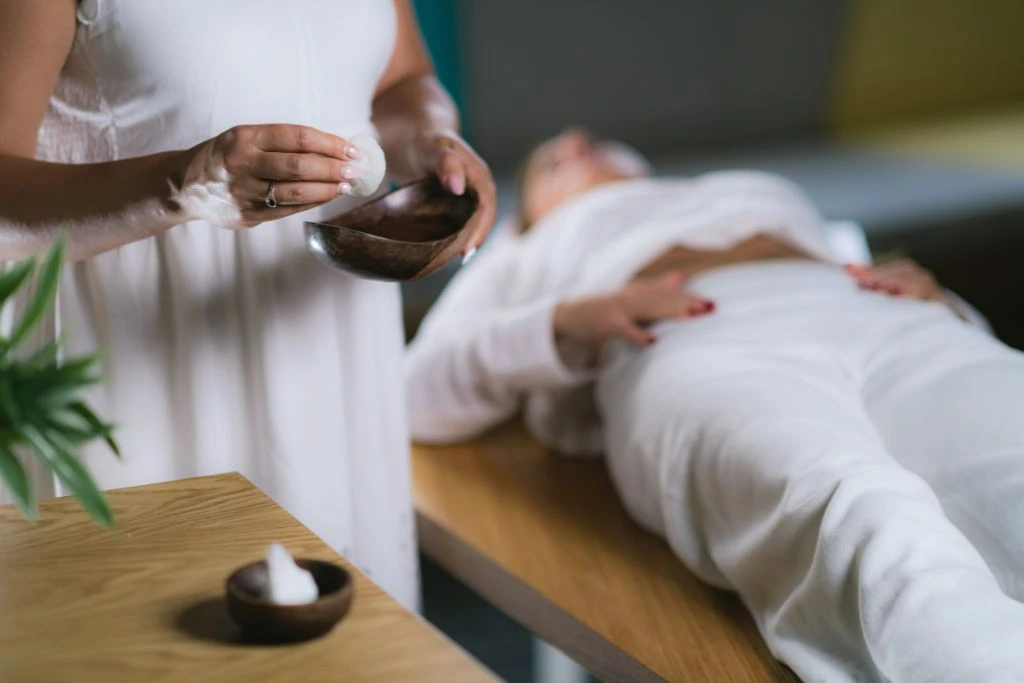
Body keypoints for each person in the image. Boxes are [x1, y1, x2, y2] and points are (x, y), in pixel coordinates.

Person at [406, 129, 1024, 680]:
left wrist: (945, 302)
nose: (573, 143)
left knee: (1007, 464)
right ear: (530, 213)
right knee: (857, 514)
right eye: (550, 165)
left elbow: (851, 259)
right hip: (693, 339)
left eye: (584, 139)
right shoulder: (524, 248)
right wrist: (573, 319)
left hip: (872, 312)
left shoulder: (741, 191)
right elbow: (419, 393)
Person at [0, 0, 496, 609]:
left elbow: (400, 82)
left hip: (331, 363)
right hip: (143, 379)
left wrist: (430, 137)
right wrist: (183, 183)